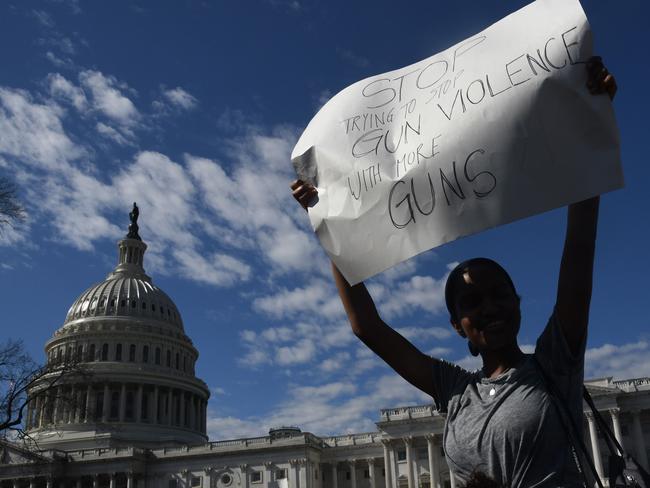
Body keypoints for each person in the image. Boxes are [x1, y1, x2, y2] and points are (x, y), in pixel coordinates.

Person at [291, 57, 617, 488]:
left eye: (499, 294)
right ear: (457, 325)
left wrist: (593, 120)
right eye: (472, 302)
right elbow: (367, 326)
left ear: (518, 304)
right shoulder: (455, 391)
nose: (489, 308)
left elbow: (578, 250)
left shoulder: (556, 365)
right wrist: (329, 223)